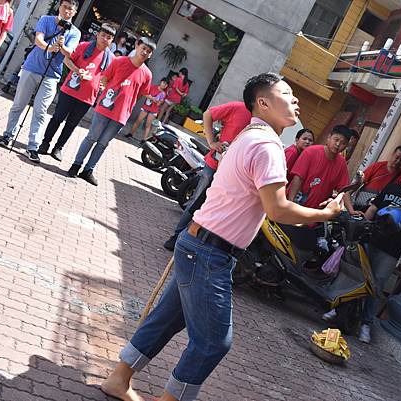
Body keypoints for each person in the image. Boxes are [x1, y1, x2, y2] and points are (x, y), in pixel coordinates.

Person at [100, 72, 345, 401]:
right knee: (214, 341)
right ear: (263, 102)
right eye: (287, 93)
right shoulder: (267, 145)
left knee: (167, 319)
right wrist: (325, 214)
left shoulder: (251, 136)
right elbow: (278, 210)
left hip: (200, 244)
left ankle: (119, 378)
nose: (296, 100)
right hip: (208, 251)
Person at [0, 0, 81, 163]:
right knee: (19, 104)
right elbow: (38, 40)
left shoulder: (74, 32)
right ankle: (7, 135)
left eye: (70, 9)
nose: (67, 11)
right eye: (64, 7)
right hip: (32, 68)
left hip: (51, 75)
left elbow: (69, 52)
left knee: (40, 111)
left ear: (75, 12)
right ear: (59, 7)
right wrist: (50, 47)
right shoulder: (45, 19)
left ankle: (32, 146)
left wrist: (62, 47)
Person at [357, 159, 401, 344]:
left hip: (390, 250)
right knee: (356, 274)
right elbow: (373, 208)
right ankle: (339, 307)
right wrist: (362, 226)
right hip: (371, 239)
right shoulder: (391, 187)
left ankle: (366, 323)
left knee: (377, 285)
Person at [163, 100, 251, 250]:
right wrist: (212, 142)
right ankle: (176, 237)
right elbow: (208, 114)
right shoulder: (238, 107)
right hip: (214, 166)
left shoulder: (264, 124)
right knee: (196, 201)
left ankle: (193, 242)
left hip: (233, 175)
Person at [68, 37, 154, 185]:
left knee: (103, 143)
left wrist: (126, 102)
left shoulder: (147, 74)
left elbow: (140, 93)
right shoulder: (119, 61)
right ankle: (76, 165)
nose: (145, 52)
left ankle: (88, 170)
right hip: (105, 108)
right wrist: (111, 93)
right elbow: (104, 79)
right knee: (91, 137)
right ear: (137, 46)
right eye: (143, 48)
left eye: (148, 51)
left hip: (122, 114)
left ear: (150, 54)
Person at [37, 23, 115, 161]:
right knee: (57, 117)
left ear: (111, 41)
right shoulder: (84, 46)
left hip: (87, 97)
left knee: (71, 124)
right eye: (103, 35)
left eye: (108, 37)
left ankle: (58, 148)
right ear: (98, 35)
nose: (105, 39)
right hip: (69, 90)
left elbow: (109, 79)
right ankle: (45, 143)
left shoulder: (111, 59)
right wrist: (77, 70)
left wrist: (103, 86)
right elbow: (67, 60)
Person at [287, 125, 351, 209]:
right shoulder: (310, 152)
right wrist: (290, 202)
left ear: (346, 146)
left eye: (343, 143)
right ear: (329, 137)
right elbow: (298, 177)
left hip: (316, 210)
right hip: (298, 203)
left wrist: (351, 210)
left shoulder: (342, 163)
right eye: (336, 140)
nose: (338, 144)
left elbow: (343, 189)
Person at [344, 146, 401, 216]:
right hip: (358, 208)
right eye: (397, 157)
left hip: (378, 215)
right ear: (392, 154)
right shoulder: (377, 166)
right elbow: (348, 192)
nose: (398, 161)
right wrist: (351, 211)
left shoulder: (400, 178)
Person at [124, 77, 169, 143]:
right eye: (164, 83)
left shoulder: (163, 94)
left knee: (148, 125)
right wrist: (152, 98)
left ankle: (144, 140)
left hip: (153, 110)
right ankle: (130, 134)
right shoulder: (152, 87)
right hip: (146, 107)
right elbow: (145, 93)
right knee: (138, 121)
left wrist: (158, 102)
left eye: (166, 84)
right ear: (161, 82)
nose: (164, 85)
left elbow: (160, 103)